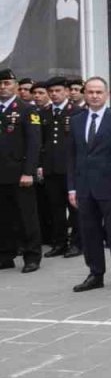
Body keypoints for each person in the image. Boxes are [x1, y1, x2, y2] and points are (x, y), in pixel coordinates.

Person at [68, 78, 111, 293]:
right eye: (90, 92)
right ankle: (95, 274)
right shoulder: (76, 120)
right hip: (84, 188)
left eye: (98, 92)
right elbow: (72, 157)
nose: (94, 96)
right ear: (85, 94)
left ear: (106, 95)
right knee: (90, 233)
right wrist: (72, 188)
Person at [0, 68, 42, 272]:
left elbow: (34, 143)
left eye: (7, 83)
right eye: (0, 83)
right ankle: (5, 255)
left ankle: (32, 256)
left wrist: (29, 172)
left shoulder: (27, 109)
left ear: (15, 86)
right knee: (3, 217)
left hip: (19, 173)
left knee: (27, 216)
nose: (3, 87)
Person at [40, 77, 78, 258]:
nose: (54, 94)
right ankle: (59, 243)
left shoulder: (76, 112)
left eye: (58, 91)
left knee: (75, 209)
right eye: (51, 91)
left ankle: (77, 243)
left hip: (71, 169)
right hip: (50, 169)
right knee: (55, 209)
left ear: (66, 92)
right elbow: (41, 142)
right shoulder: (44, 112)